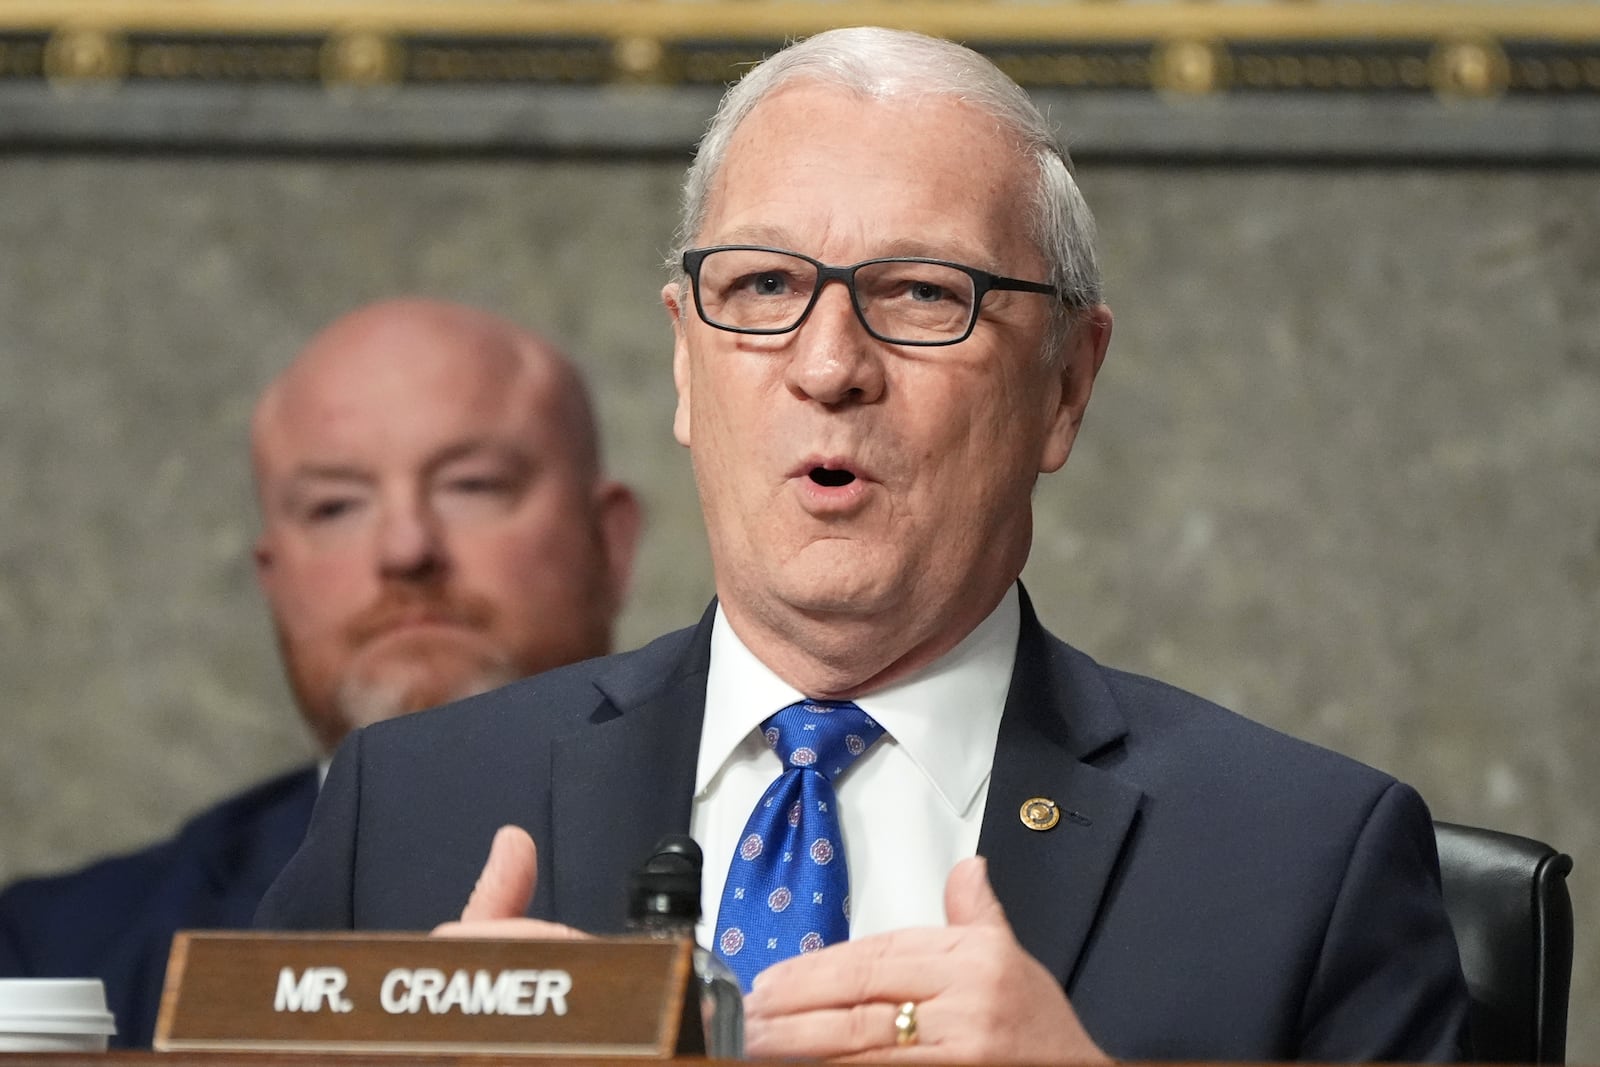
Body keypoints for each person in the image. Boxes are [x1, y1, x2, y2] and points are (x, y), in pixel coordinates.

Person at [257, 30, 1470, 1063]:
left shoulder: (1305, 862)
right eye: (765, 285)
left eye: (922, 294)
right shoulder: (406, 811)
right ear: (685, 361)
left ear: (1065, 386)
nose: (830, 364)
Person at [0, 298, 641, 1048]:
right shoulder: (52, 958)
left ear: (610, 543)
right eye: (336, 505)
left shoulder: (784, 886)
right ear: (274, 579)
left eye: (472, 484)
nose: (405, 549)